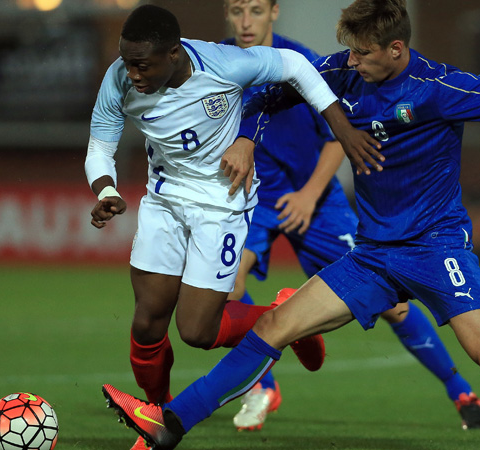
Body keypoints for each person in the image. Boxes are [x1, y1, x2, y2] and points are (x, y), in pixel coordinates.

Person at [101, 1, 480, 449]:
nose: (351, 62)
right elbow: (271, 95)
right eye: (349, 52)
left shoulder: (440, 90)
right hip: (371, 255)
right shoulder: (344, 71)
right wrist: (247, 134)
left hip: (436, 250)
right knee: (272, 330)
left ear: (396, 49)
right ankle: (168, 429)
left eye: (363, 54)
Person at [86, 5, 381, 450]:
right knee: (147, 324)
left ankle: (285, 318)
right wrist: (106, 190)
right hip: (163, 201)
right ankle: (158, 415)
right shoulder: (120, 78)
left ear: (174, 53)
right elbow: (99, 146)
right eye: (127, 61)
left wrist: (340, 126)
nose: (131, 73)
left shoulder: (223, 64)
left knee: (197, 332)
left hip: (222, 205)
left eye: (142, 64)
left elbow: (296, 66)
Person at [220, 0, 480, 432]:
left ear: (274, 11)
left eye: (255, 9)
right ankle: (263, 386)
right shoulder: (218, 65)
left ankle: (458, 388)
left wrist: (309, 195)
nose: (246, 21)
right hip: (250, 198)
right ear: (227, 13)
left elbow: (337, 137)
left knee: (394, 308)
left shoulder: (301, 64)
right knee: (226, 288)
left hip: (316, 198)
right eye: (237, 11)